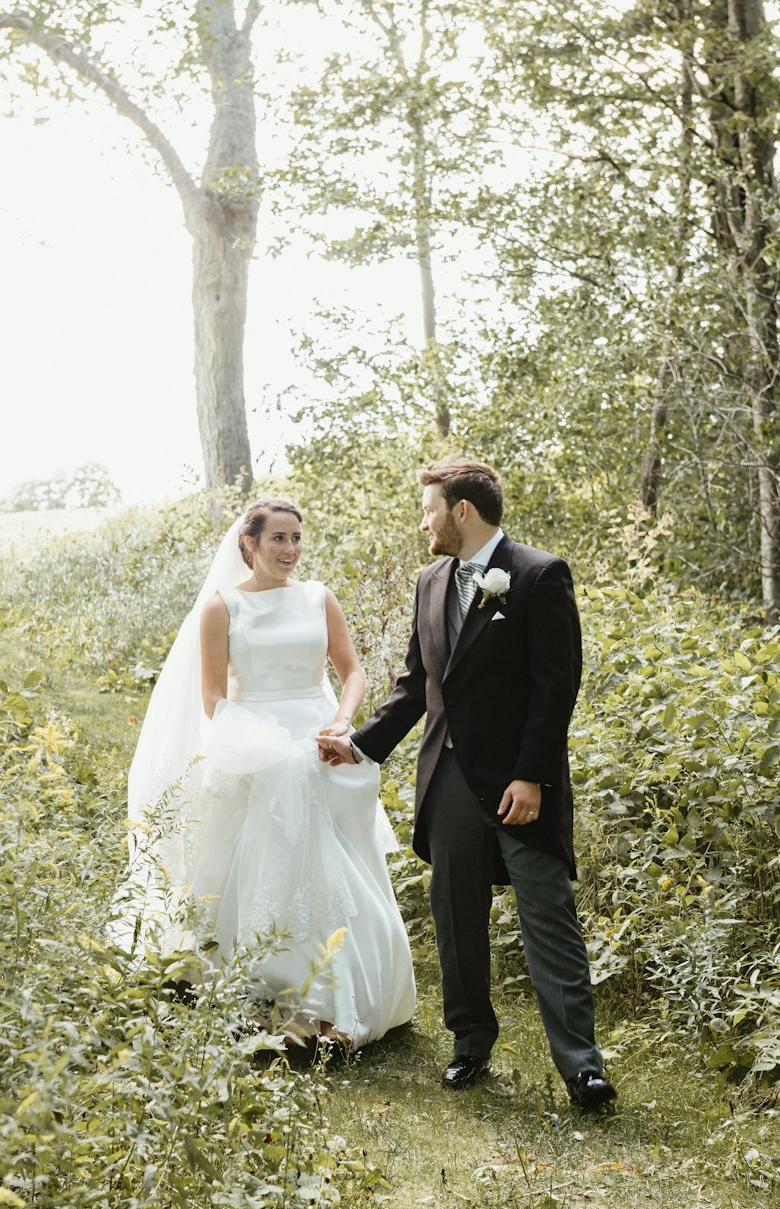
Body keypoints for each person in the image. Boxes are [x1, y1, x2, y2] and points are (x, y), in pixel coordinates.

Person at [318, 461, 616, 1108]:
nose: (422, 521)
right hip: (447, 777)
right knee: (455, 918)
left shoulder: (539, 574)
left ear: (461, 511)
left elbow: (555, 686)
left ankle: (582, 1067)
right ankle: (469, 1044)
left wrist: (532, 774)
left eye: (429, 508)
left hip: (520, 782)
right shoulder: (429, 582)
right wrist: (361, 745)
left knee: (548, 916)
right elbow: (416, 686)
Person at [127, 498, 416, 1048]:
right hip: (254, 744)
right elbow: (213, 699)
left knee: (336, 859)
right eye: (278, 539)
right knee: (263, 858)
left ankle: (341, 994)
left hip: (319, 738)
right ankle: (273, 985)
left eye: (297, 538)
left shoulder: (318, 598)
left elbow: (350, 672)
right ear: (249, 545)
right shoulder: (222, 608)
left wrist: (342, 723)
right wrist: (265, 749)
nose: (291, 550)